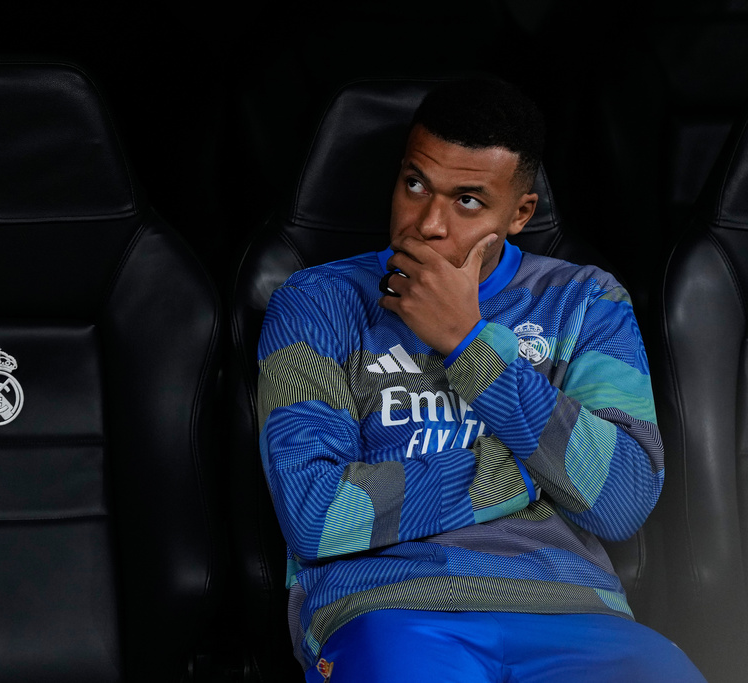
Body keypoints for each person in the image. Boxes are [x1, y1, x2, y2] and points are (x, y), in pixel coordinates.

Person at [256, 79, 705, 682]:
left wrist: (467, 343)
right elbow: (316, 513)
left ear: (519, 214)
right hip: (391, 613)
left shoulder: (585, 301)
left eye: (468, 200)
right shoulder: (316, 303)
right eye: (415, 184)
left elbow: (622, 500)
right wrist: (532, 471)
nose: (429, 224)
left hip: (574, 614)